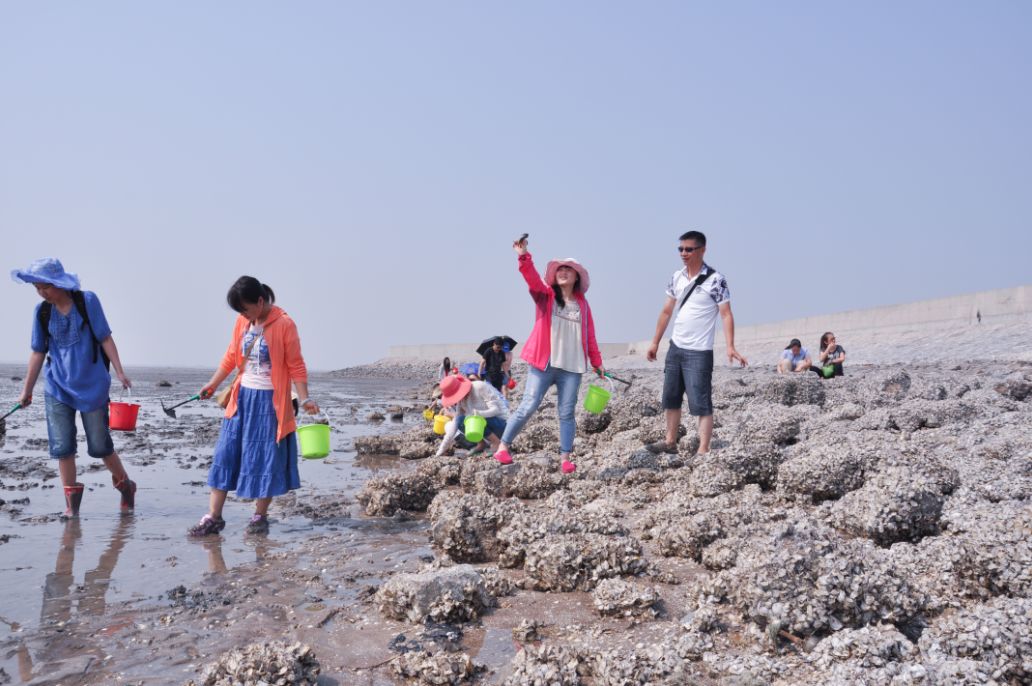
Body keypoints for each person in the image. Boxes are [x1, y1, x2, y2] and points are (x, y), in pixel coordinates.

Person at [189, 276, 320, 537]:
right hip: (241, 399)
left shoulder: (285, 324)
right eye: (240, 311)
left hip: (271, 402)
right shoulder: (243, 322)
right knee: (226, 454)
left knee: (265, 459)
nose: (243, 315)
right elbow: (230, 356)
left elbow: (296, 364)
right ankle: (213, 517)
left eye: (246, 309)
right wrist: (213, 385)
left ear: (260, 302)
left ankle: (260, 516)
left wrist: (304, 399)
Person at [12, 258, 137, 518]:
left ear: (59, 283)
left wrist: (119, 371)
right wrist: (27, 390)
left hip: (92, 386)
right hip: (57, 387)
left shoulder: (87, 301)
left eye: (45, 287)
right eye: (37, 288)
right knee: (62, 446)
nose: (41, 293)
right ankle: (71, 508)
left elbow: (105, 337)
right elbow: (38, 352)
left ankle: (126, 485)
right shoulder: (42, 312)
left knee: (100, 446)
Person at [493, 237, 605, 474]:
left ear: (576, 277)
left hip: (572, 368)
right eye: (560, 269)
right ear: (555, 276)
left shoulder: (583, 306)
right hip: (544, 364)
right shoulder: (546, 297)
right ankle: (503, 447)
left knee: (567, 412)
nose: (564, 272)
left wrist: (597, 363)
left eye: (569, 270)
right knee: (528, 405)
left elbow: (590, 336)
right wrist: (523, 256)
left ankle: (565, 458)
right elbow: (532, 280)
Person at [645, 231, 747, 457]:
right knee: (671, 397)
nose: (684, 253)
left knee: (701, 401)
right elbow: (666, 311)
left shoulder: (716, 279)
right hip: (676, 347)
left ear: (702, 250)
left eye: (689, 249)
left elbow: (726, 314)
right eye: (680, 249)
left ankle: (703, 449)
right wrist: (655, 343)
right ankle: (670, 441)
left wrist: (730, 346)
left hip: (699, 352)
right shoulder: (677, 277)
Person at [434, 374, 508, 457]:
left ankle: (496, 443)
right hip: (485, 426)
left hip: (501, 424)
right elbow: (455, 424)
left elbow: (496, 410)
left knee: (472, 418)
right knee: (460, 420)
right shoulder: (461, 401)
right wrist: (440, 451)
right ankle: (481, 444)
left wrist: (479, 414)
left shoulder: (479, 386)